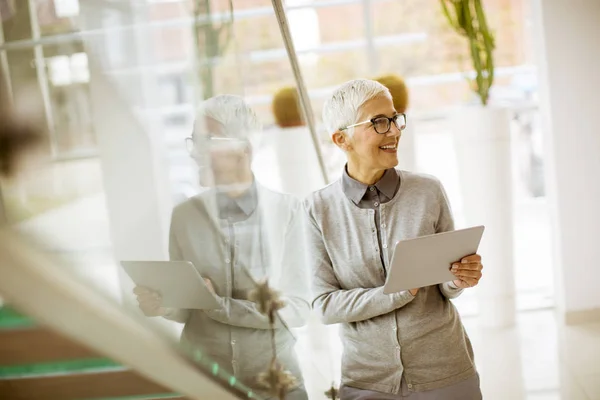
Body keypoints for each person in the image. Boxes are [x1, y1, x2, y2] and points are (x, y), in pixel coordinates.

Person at [303, 79, 484, 399]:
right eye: (379, 123)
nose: (395, 131)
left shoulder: (428, 191)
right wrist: (394, 293)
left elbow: (446, 284)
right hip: (366, 381)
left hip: (445, 371)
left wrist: (459, 277)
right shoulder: (317, 210)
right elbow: (325, 305)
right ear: (341, 138)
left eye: (395, 119)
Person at [134, 95, 310, 400]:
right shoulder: (184, 216)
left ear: (244, 148)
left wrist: (220, 306)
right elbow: (187, 309)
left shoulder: (288, 212)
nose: (195, 153)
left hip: (276, 385)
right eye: (194, 141)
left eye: (207, 141)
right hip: (202, 382)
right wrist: (164, 305)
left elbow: (297, 310)